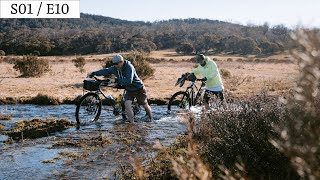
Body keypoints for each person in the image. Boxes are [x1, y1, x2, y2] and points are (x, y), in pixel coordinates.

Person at [88, 54, 153, 123]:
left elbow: (129, 80)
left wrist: (116, 80)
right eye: (114, 64)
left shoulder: (129, 67)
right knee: (127, 104)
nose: (115, 65)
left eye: (117, 64)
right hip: (129, 89)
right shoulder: (115, 68)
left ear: (122, 61)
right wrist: (94, 73)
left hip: (138, 88)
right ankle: (132, 124)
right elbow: (106, 71)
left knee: (144, 104)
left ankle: (151, 119)